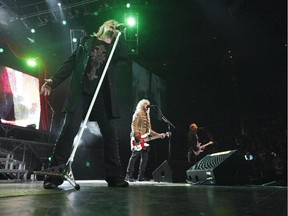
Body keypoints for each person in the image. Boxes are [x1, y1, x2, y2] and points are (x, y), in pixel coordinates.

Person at [40, 19, 129, 189]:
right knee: (69, 131)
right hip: (81, 93)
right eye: (111, 23)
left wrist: (121, 35)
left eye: (115, 25)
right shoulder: (86, 42)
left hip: (102, 97)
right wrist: (53, 81)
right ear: (102, 26)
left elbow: (124, 57)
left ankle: (114, 176)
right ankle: (54, 175)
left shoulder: (115, 48)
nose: (113, 25)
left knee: (110, 133)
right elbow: (71, 63)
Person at [125, 99, 166, 182]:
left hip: (144, 138)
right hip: (137, 137)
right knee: (134, 156)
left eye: (148, 104)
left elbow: (149, 131)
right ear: (141, 105)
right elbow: (133, 125)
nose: (147, 105)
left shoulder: (147, 115)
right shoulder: (138, 112)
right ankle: (128, 176)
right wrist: (137, 137)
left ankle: (141, 176)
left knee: (145, 158)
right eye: (146, 104)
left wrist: (159, 135)